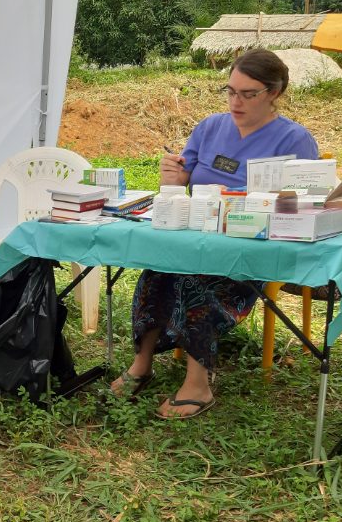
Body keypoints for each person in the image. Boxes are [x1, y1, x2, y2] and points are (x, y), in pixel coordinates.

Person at [111, 49, 319, 419]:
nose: (236, 102)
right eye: (230, 91)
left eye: (248, 93)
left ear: (275, 92)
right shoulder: (209, 128)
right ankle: (141, 363)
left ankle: (198, 383)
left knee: (196, 282)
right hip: (198, 239)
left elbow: (302, 206)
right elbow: (181, 181)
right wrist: (173, 177)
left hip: (248, 251)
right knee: (156, 272)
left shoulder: (294, 140)